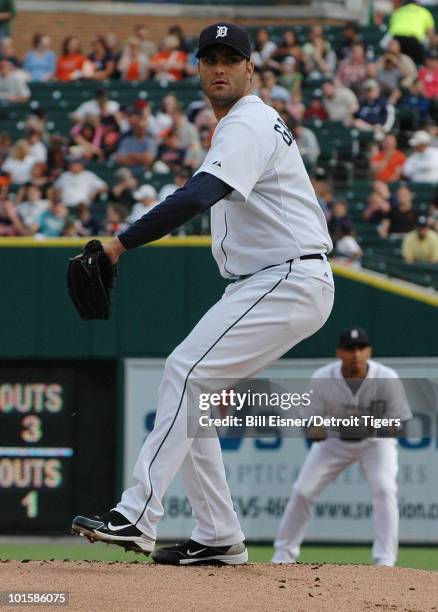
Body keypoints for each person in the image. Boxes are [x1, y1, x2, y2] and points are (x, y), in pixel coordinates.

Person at [72, 22, 334, 566]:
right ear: (197, 68)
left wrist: (120, 244)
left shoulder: (248, 121)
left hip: (286, 276)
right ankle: (219, 535)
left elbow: (200, 193)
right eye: (210, 58)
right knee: (197, 394)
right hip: (272, 280)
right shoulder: (246, 124)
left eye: (230, 59)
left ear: (249, 69)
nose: (220, 68)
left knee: (185, 372)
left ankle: (138, 513)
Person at [272, 327, 411, 567]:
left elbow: (399, 426)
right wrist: (322, 429)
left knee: (385, 490)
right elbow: (311, 426)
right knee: (303, 491)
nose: (355, 354)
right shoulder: (323, 377)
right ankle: (283, 556)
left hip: (375, 445)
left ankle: (385, 561)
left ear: (369, 351)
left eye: (360, 348)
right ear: (339, 352)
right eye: (349, 348)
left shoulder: (386, 377)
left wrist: (367, 427)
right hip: (334, 443)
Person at [389, 0, 435, 65]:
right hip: (413, 41)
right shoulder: (424, 12)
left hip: (396, 40)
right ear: (416, 3)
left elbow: (391, 29)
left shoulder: (398, 11)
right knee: (420, 64)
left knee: (398, 64)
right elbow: (431, 35)